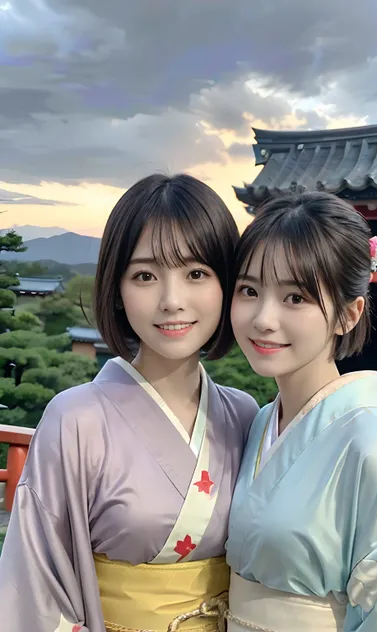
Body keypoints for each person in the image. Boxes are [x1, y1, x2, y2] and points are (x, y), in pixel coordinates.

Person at [0, 174, 259, 632]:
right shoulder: (75, 418)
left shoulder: (243, 416)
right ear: (117, 290)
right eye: (144, 276)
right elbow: (33, 584)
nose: (172, 301)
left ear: (229, 285)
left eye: (197, 273)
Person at [225, 191, 377, 631]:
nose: (263, 318)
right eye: (249, 290)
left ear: (347, 315)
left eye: (295, 298)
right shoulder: (260, 423)